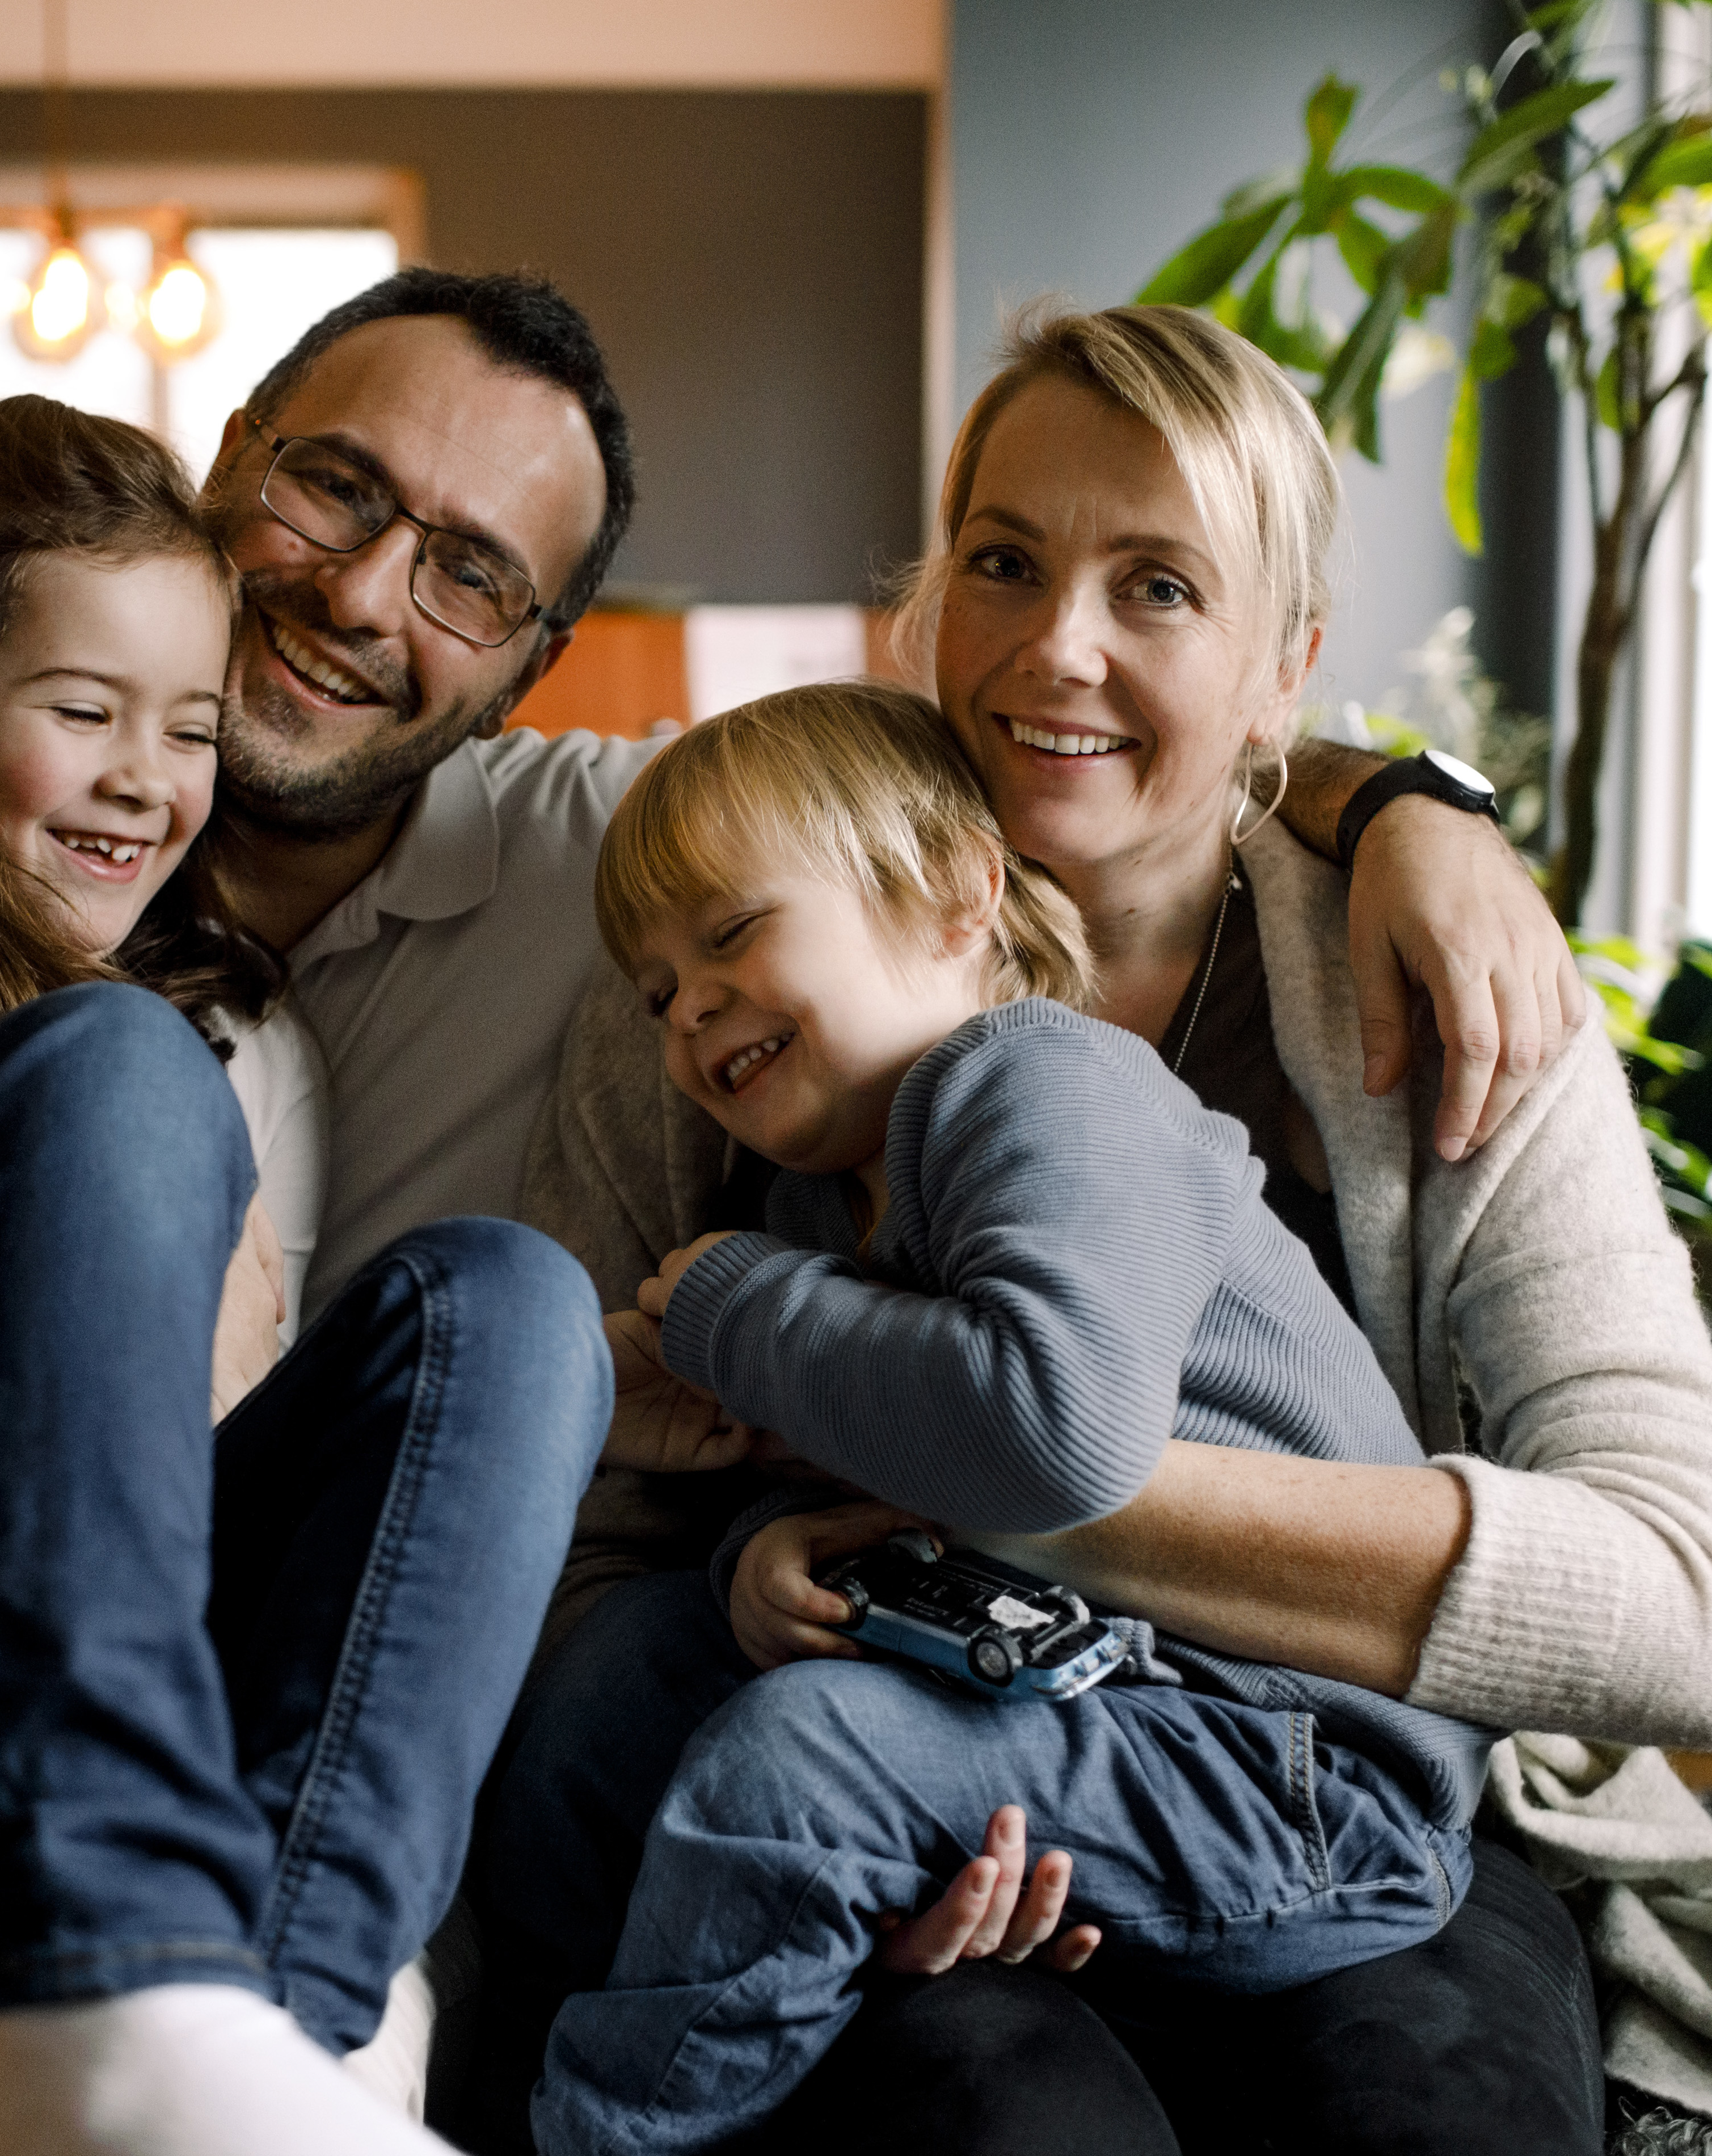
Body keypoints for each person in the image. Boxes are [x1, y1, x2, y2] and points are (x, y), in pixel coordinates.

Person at [0, 270, 1587, 2154]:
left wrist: (1409, 802)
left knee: (507, 1302)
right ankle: (123, 1976)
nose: (361, 592)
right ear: (222, 466)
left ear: (530, 665)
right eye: (330, 486)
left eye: (474, 574)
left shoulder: (593, 855)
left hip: (269, 1767)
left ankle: (215, 2016)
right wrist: (23, 1188)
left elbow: (965, 781)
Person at [488, 304, 1712, 2156]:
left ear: (1284, 672)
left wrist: (970, 1490)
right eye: (1001, 563)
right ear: (926, 604)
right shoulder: (732, 954)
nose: (1054, 646)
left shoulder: (1428, 986)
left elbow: (1696, 1615)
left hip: (1321, 1775)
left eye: (1158, 588)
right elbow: (578, 1547)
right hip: (896, 1756)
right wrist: (764, 1588)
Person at [526, 681, 1495, 2156]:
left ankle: (607, 2131)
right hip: (1069, 1686)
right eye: (657, 990)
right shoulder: (809, 1204)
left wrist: (726, 1307)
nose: (690, 1007)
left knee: (801, 1761)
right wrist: (765, 1554)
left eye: (728, 934)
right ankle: (594, 2035)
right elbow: (887, 1487)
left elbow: (1052, 1430)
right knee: (618, 1678)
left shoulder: (1044, 1082)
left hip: (1297, 1766)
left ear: (954, 896)